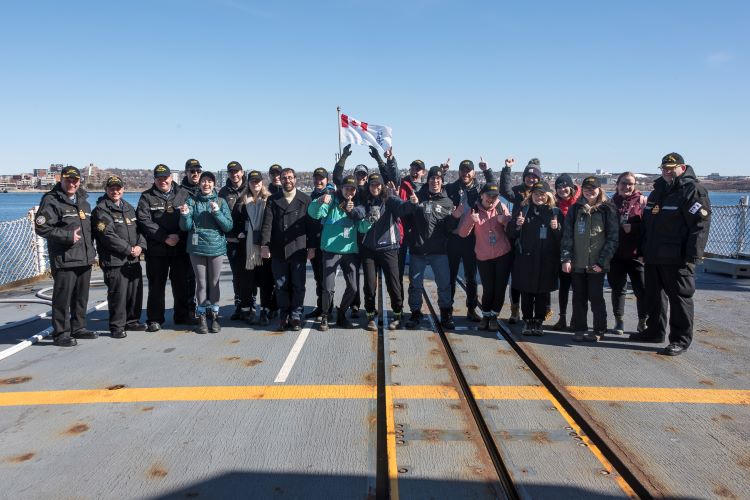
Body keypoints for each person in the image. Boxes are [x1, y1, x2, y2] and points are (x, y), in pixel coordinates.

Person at [632, 153, 711, 356]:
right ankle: (654, 331)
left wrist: (693, 255)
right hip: (654, 255)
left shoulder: (692, 190)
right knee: (654, 297)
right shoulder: (658, 191)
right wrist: (642, 250)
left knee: (680, 299)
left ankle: (680, 340)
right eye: (664, 168)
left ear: (682, 168)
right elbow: (648, 224)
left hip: (677, 257)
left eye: (671, 168)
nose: (667, 171)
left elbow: (700, 226)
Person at [34, 165, 97, 347]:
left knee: (81, 296)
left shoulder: (83, 200)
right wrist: (67, 236)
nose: (72, 184)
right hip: (65, 258)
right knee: (62, 297)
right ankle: (61, 332)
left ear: (79, 181)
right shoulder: (51, 200)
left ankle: (79, 327)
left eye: (75, 180)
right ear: (61, 180)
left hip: (84, 257)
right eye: (68, 180)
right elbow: (41, 227)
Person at [400, 166, 461, 329]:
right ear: (428, 181)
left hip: (439, 251)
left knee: (444, 284)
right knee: (415, 284)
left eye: (438, 179)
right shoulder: (417, 196)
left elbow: (449, 228)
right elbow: (404, 215)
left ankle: (446, 313)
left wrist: (455, 217)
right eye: (432, 178)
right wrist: (412, 205)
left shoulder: (448, 202)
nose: (435, 181)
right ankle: (415, 312)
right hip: (418, 249)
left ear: (442, 182)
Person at [136, 164, 194, 331]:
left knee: (181, 285)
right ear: (154, 179)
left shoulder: (184, 194)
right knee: (156, 286)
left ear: (171, 177)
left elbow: (190, 218)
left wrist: (178, 236)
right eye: (159, 178)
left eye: (165, 177)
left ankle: (182, 316)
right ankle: (155, 319)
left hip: (179, 248)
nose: (163, 181)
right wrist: (164, 238)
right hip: (157, 250)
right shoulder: (146, 197)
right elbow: (144, 221)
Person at [561, 176, 619, 341]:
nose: (589, 191)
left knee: (595, 296)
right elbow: (567, 236)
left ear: (599, 189)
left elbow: (613, 238)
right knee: (578, 296)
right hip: (578, 262)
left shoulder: (608, 209)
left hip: (596, 264)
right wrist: (566, 258)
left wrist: (602, 261)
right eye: (586, 188)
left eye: (593, 188)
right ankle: (580, 328)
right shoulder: (575, 208)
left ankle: (599, 329)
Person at [92, 175, 147, 338]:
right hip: (115, 261)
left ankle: (132, 321)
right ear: (106, 190)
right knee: (118, 294)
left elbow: (140, 230)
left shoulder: (129, 208)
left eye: (118, 188)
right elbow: (107, 236)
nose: (115, 191)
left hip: (133, 258)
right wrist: (129, 249)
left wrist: (140, 246)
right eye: (112, 188)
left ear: (123, 189)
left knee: (134, 292)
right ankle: (117, 326)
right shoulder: (101, 210)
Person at [179, 171, 233, 334]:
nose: (206, 184)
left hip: (216, 247)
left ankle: (215, 316)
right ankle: (202, 315)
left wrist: (217, 212)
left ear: (214, 184)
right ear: (200, 184)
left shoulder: (221, 201)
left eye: (209, 181)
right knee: (201, 283)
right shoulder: (191, 201)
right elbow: (185, 227)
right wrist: (184, 215)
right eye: (204, 181)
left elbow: (228, 227)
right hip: (197, 248)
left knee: (214, 282)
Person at [261, 167, 314, 331]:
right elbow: (267, 224)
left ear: (295, 179)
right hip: (278, 249)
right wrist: (264, 245)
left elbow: (311, 226)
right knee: (281, 285)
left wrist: (311, 247)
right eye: (284, 178)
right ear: (280, 180)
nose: (287, 180)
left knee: (298, 285)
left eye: (290, 177)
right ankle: (284, 315)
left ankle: (296, 315)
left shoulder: (305, 199)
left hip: (298, 249)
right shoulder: (273, 199)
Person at [506, 181, 562, 336]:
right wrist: (517, 225)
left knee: (542, 293)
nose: (539, 197)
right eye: (536, 194)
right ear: (531, 195)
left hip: (546, 260)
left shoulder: (555, 212)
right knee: (527, 292)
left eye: (542, 194)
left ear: (548, 196)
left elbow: (562, 239)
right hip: (526, 259)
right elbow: (511, 234)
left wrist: (556, 229)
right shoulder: (524, 210)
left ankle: (538, 321)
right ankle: (528, 320)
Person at [353, 168, 405, 330]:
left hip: (388, 247)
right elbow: (358, 211)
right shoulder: (365, 201)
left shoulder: (390, 200)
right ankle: (370, 315)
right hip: (369, 249)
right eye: (372, 185)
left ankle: (397, 313)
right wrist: (354, 212)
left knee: (393, 283)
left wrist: (412, 203)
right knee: (369, 284)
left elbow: (403, 208)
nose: (374, 187)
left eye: (377, 185)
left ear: (382, 186)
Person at [446, 158, 496, 322]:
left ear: (473, 173)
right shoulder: (451, 188)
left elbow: (493, 190)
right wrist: (443, 170)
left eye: (468, 170)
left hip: (471, 239)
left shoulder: (478, 189)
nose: (465, 173)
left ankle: (471, 308)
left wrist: (487, 170)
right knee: (451, 277)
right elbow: (434, 190)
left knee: (471, 277)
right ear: (459, 171)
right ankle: (448, 309)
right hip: (453, 238)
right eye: (463, 170)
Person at [308, 175, 360, 330]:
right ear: (341, 189)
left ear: (355, 191)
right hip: (330, 251)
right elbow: (315, 214)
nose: (349, 192)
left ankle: (342, 313)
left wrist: (369, 221)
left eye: (352, 189)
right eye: (346, 188)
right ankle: (325, 315)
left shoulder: (358, 205)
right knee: (328, 287)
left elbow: (363, 226)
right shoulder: (331, 202)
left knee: (353, 287)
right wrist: (318, 201)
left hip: (349, 251)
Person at [458, 182, 513, 330]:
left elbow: (512, 231)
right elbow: (463, 234)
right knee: (488, 289)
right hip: (484, 256)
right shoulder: (474, 210)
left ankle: (494, 316)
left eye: (494, 196)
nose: (491, 199)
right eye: (488, 195)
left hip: (503, 254)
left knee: (500, 288)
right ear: (482, 195)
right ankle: (486, 315)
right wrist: (471, 220)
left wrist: (505, 221)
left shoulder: (502, 208)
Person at [500, 157, 543, 324]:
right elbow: (505, 190)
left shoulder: (542, 193)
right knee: (516, 277)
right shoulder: (518, 192)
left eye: (534, 177)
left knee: (535, 276)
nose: (531, 179)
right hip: (517, 238)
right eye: (528, 176)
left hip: (535, 241)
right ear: (524, 176)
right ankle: (514, 309)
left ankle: (540, 309)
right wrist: (507, 169)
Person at [609, 172, 648, 335]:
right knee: (618, 289)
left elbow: (649, 228)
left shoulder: (642, 202)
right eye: (624, 183)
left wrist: (634, 228)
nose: (627, 186)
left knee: (642, 289)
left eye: (630, 184)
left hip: (636, 254)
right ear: (617, 184)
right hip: (616, 255)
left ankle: (642, 321)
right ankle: (619, 321)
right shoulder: (610, 203)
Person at [551, 174, 581, 331]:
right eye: (559, 187)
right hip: (561, 253)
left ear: (571, 187)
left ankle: (576, 319)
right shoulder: (555, 206)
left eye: (565, 186)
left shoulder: (581, 203)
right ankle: (562, 318)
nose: (562, 189)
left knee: (578, 288)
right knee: (563, 287)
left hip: (579, 253)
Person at [218, 161, 247, 320]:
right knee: (237, 274)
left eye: (237, 171)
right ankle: (239, 305)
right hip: (232, 240)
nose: (234, 174)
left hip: (249, 239)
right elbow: (221, 215)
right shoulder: (223, 192)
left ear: (242, 172)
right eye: (231, 172)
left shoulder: (250, 188)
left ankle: (250, 304)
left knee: (250, 273)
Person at [306, 167, 334, 321]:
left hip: (328, 243)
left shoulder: (331, 196)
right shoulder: (311, 197)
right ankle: (320, 307)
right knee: (318, 278)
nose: (318, 181)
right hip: (315, 243)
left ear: (327, 180)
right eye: (316, 178)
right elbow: (309, 224)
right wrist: (310, 246)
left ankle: (328, 309)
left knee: (326, 279)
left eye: (321, 178)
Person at [398, 159, 427, 291]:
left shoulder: (427, 188)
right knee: (398, 270)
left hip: (418, 233)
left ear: (423, 172)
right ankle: (398, 305)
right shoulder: (403, 183)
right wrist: (390, 160)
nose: (414, 171)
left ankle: (415, 305)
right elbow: (392, 173)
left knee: (416, 273)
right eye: (412, 168)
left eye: (417, 169)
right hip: (403, 231)